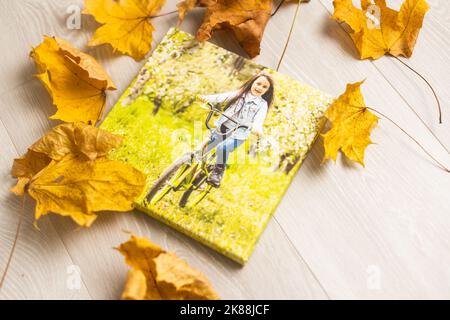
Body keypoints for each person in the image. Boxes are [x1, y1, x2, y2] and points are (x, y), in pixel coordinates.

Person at [198, 72, 275, 188]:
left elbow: (259, 119)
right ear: (252, 82)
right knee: (204, 151)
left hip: (239, 134)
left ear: (267, 90)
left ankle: (217, 173)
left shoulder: (262, 105)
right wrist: (206, 98)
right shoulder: (240, 93)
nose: (260, 88)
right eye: (258, 83)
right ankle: (193, 172)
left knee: (222, 148)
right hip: (223, 128)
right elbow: (222, 97)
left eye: (264, 87)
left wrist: (257, 128)